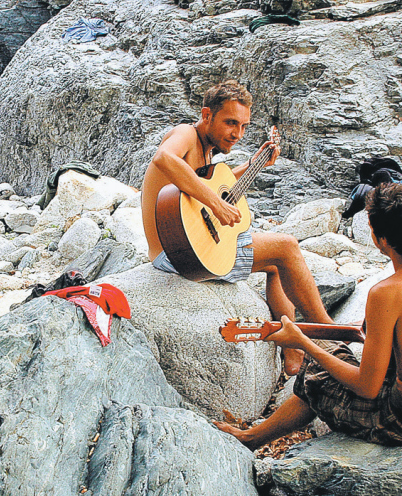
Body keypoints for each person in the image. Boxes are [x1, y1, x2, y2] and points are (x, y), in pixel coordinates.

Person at [215, 184, 402, 448]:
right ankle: (253, 436)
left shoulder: (388, 293)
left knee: (316, 375)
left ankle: (251, 438)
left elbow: (367, 387)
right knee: (336, 359)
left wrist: (302, 343)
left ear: (380, 240)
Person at [141, 80, 334, 375]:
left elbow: (217, 182)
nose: (238, 134)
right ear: (207, 115)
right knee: (286, 246)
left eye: (243, 126)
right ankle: (330, 332)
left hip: (188, 245)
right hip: (176, 254)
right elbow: (164, 157)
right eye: (231, 123)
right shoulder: (186, 134)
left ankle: (293, 353)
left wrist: (255, 163)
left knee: (274, 266)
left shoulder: (207, 151)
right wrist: (216, 205)